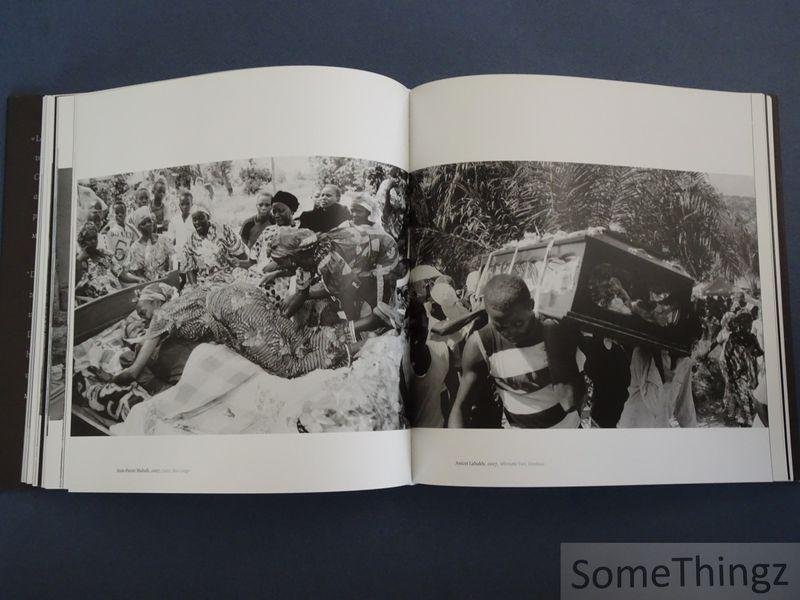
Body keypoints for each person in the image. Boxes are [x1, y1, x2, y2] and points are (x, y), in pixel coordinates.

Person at [111, 281, 359, 384]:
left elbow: (134, 371)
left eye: (141, 310)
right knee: (297, 338)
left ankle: (348, 352)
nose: (142, 316)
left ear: (156, 301)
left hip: (233, 309)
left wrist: (120, 374)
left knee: (284, 368)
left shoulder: (161, 316)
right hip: (244, 293)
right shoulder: (184, 300)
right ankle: (355, 333)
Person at [448, 274, 584, 429]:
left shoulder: (553, 330)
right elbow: (460, 408)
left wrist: (552, 338)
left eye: (518, 323)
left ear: (531, 305)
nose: (510, 332)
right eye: (500, 327)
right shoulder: (481, 344)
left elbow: (570, 401)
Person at [266, 226, 402, 333]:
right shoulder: (304, 261)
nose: (278, 265)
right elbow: (302, 293)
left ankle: (384, 323)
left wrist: (351, 324)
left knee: (378, 304)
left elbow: (346, 292)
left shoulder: (327, 261)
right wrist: (282, 319)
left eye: (280, 262)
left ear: (291, 257)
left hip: (384, 250)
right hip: (362, 251)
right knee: (351, 288)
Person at [401, 299, 458, 427]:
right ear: (404, 330)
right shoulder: (398, 362)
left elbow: (454, 395)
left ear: (427, 324)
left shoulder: (443, 352)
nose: (416, 339)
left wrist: (449, 426)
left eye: (419, 330)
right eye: (411, 331)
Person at [617, 346, 697, 428]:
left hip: (660, 425)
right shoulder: (641, 353)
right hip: (634, 425)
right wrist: (672, 375)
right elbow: (655, 405)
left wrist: (693, 433)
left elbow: (685, 407)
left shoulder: (684, 360)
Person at [75, 222, 141, 303]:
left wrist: (138, 280)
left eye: (95, 238)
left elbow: (122, 275)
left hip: (115, 295)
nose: (93, 241)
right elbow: (77, 288)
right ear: (82, 242)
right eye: (89, 239)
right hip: (96, 302)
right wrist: (79, 260)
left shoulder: (106, 254)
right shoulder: (79, 261)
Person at [181, 207, 249, 285]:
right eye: (194, 220)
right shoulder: (190, 240)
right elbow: (190, 268)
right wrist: (194, 286)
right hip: (204, 281)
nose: (197, 222)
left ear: (208, 217)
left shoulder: (222, 230)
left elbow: (240, 254)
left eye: (201, 218)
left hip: (228, 277)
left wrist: (245, 272)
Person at [723, 311, 764, 426]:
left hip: (751, 374)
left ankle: (749, 422)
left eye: (749, 324)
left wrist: (752, 353)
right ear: (740, 324)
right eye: (745, 324)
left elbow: (759, 352)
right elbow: (727, 357)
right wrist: (730, 375)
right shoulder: (733, 338)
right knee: (743, 400)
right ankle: (747, 423)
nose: (748, 327)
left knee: (752, 399)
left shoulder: (752, 338)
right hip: (738, 375)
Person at [128, 206, 174, 282]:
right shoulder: (135, 248)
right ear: (139, 228)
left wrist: (169, 274)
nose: (148, 224)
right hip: (148, 284)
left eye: (149, 221)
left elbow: (171, 259)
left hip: (167, 279)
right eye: (144, 223)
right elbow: (138, 273)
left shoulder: (163, 239)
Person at [101, 200, 139, 272]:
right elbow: (103, 246)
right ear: (112, 214)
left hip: (129, 263)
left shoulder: (130, 228)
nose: (120, 215)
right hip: (115, 263)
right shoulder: (110, 229)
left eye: (122, 212)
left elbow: (137, 241)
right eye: (117, 213)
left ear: (126, 213)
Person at [167, 190, 196, 269]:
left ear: (192, 204)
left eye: (187, 204)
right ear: (179, 205)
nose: (185, 207)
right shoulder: (174, 220)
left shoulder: (195, 220)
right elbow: (171, 240)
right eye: (182, 204)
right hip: (178, 254)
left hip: (192, 254)